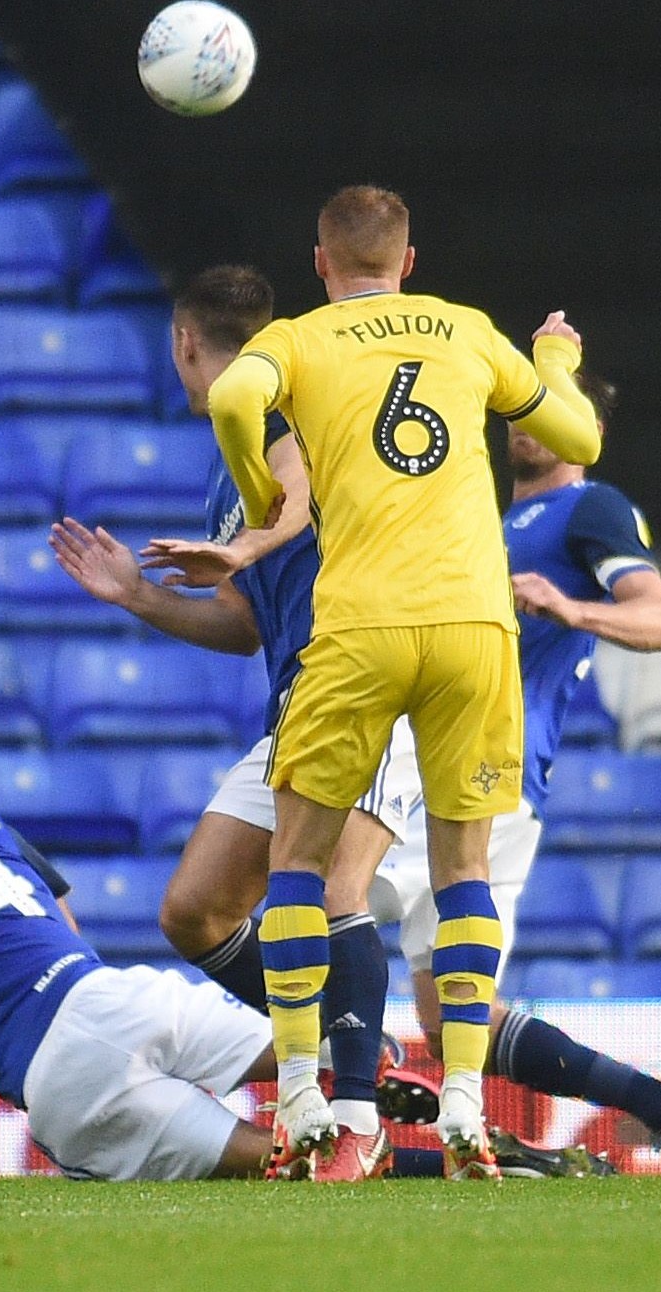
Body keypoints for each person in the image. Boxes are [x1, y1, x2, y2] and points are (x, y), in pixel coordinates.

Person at [205, 185, 601, 1177]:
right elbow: (581, 438)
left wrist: (259, 499)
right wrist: (553, 356)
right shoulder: (468, 331)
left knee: (297, 867)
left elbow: (227, 399)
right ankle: (462, 1093)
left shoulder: (296, 341)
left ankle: (300, 1092)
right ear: (409, 260)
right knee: (462, 872)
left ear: (319, 261)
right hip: (473, 628)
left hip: (359, 628)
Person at [49, 263, 415, 1177]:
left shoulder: (285, 410)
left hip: (362, 672)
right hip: (295, 695)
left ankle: (357, 1118)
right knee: (196, 910)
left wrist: (249, 540)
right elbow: (247, 621)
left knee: (331, 891)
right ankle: (346, 1045)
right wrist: (137, 596)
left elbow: (297, 485)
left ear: (183, 341)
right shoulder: (231, 455)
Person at [368, 372, 661, 1174]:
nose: (527, 426)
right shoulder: (504, 521)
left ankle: (344, 1088)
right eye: (525, 411)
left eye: (554, 412)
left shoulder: (590, 508)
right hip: (474, 768)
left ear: (588, 431)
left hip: (477, 764)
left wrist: (570, 609)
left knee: (325, 897)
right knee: (447, 1010)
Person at [0, 743, 284, 1182]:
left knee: (281, 1161)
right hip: (116, 999)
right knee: (315, 1057)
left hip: (67, 1086)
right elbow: (62, 935)